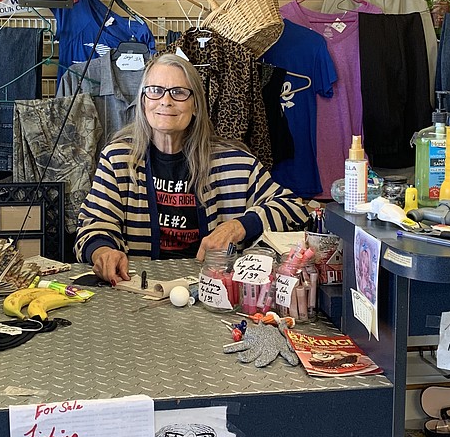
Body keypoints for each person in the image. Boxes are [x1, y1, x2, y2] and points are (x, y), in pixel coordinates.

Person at [75, 53, 309, 283]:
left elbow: (294, 210)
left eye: (178, 92)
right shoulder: (118, 159)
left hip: (215, 289)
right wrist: (102, 251)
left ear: (196, 104)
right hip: (136, 287)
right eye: (155, 90)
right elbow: (93, 224)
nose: (165, 101)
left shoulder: (236, 163)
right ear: (143, 101)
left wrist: (239, 226)